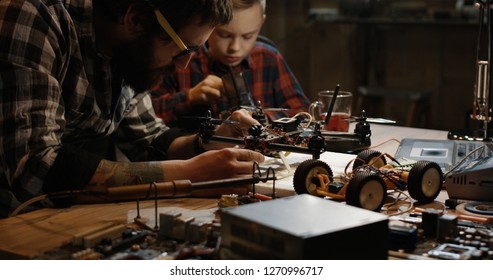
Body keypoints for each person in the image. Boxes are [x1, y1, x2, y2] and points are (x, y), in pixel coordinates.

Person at [0, 0, 265, 218]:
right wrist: (190, 174)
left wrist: (210, 142)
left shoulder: (130, 51)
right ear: (136, 19)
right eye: (184, 50)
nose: (184, 66)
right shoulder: (37, 15)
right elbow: (35, 166)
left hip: (59, 214)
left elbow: (148, 138)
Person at [150, 0, 311, 130]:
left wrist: (264, 121)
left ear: (261, 22)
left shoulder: (268, 58)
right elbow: (143, 120)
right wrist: (189, 98)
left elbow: (303, 114)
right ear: (209, 24)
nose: (235, 47)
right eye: (224, 35)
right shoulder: (181, 59)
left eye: (248, 36)